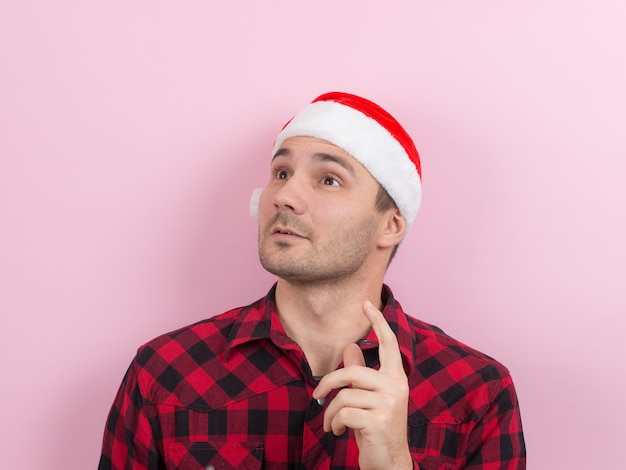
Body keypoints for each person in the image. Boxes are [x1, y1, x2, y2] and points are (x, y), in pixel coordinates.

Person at [98, 92, 526, 469]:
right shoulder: (165, 375)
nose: (284, 196)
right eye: (281, 173)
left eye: (328, 180)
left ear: (391, 225)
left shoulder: (476, 395)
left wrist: (394, 464)